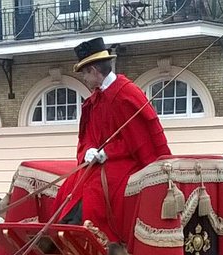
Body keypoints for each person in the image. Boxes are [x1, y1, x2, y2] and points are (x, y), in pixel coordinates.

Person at [55, 36, 171, 243]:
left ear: (94, 71)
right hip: (101, 161)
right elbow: (88, 136)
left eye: (84, 73)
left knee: (96, 190)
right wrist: (89, 150)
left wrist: (107, 152)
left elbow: (139, 141)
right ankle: (66, 233)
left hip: (127, 160)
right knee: (71, 184)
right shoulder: (95, 99)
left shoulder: (126, 94)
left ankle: (101, 242)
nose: (84, 78)